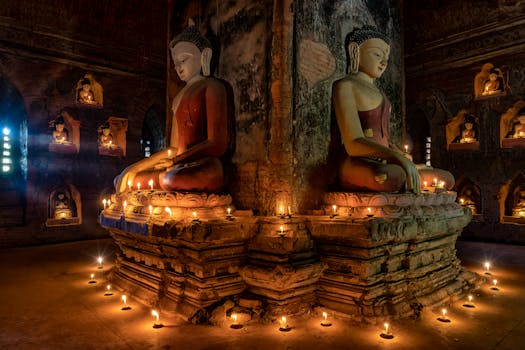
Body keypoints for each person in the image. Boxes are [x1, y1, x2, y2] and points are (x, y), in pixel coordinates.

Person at [332, 26, 454, 193]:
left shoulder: (380, 93)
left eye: (386, 58)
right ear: (355, 51)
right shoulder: (345, 86)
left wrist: (402, 156)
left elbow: (384, 138)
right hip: (357, 161)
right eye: (377, 54)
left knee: (446, 178)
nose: (383, 62)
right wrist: (397, 158)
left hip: (384, 160)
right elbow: (353, 143)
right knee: (392, 176)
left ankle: (406, 172)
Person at [114, 23, 229, 193]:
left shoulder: (212, 87)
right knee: (126, 180)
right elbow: (174, 149)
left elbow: (217, 144)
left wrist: (175, 162)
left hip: (204, 165)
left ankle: (168, 182)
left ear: (205, 55)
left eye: (184, 59)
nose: (179, 67)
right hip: (177, 166)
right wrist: (134, 168)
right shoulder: (177, 98)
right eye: (175, 63)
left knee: (172, 179)